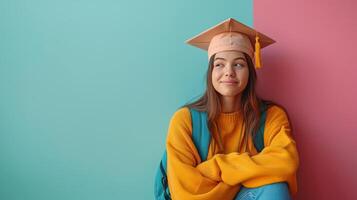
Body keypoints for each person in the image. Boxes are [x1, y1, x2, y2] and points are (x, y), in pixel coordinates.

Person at [165, 18, 299, 200]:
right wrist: (247, 174)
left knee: (276, 189)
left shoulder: (271, 116)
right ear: (210, 71)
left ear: (250, 72)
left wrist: (214, 167)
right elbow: (184, 193)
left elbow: (286, 163)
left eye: (238, 64)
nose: (229, 72)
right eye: (219, 64)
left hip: (251, 196)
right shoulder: (185, 120)